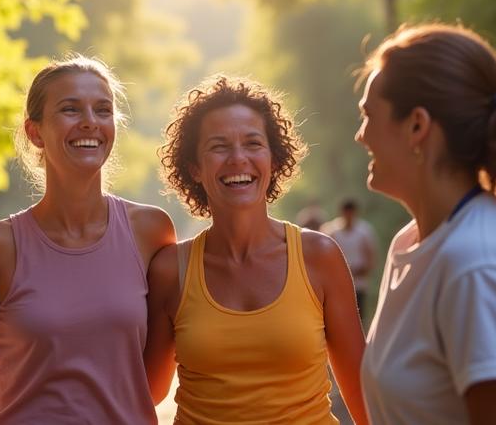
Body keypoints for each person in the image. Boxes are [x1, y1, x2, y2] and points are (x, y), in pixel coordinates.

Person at [354, 23, 496, 424]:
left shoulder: (480, 266)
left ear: (417, 126)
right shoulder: (412, 242)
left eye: (369, 116)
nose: (360, 136)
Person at [146, 76, 369, 424]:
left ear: (274, 159)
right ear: (194, 168)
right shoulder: (169, 269)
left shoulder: (319, 257)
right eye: (219, 146)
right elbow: (146, 393)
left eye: (253, 143)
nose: (238, 159)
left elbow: (363, 395)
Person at [0, 55, 177, 424]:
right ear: (35, 132)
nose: (90, 122)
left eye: (103, 110)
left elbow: (153, 381)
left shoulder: (151, 231)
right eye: (70, 109)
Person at [321, 199, 377, 319]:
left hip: (358, 284)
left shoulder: (364, 231)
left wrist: (359, 271)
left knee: (357, 318)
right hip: (336, 283)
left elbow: (370, 257)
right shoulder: (331, 230)